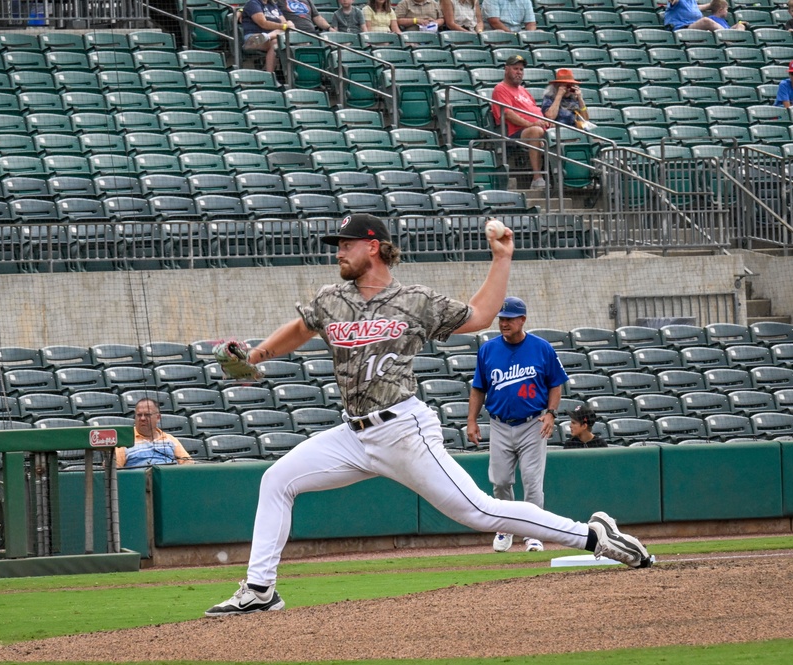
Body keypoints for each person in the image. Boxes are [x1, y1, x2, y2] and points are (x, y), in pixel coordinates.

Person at [203, 213, 652, 617]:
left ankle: (595, 538)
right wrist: (256, 354)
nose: (338, 251)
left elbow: (478, 315)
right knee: (276, 480)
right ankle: (260, 589)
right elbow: (301, 329)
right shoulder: (330, 299)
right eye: (337, 245)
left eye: (346, 243)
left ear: (373, 246)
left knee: (480, 511)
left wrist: (502, 258)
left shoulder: (413, 300)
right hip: (353, 434)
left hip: (403, 430)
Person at [466, 297, 568, 554]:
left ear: (522, 320)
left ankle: (533, 534)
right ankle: (506, 527)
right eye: (501, 318)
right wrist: (471, 421)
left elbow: (555, 383)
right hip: (499, 424)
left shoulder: (542, 348)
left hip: (532, 423)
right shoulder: (488, 350)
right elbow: (478, 388)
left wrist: (551, 413)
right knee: (500, 482)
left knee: (532, 482)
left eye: (509, 318)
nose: (504, 323)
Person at [491, 55, 551, 190]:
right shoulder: (500, 88)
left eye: (521, 69)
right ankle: (537, 179)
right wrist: (531, 125)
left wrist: (547, 122)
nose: (519, 72)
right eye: (515, 69)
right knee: (536, 131)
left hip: (537, 129)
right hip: (515, 133)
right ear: (506, 69)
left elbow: (535, 110)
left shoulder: (524, 90)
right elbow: (507, 113)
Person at [115, 399, 195, 468]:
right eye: (139, 415)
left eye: (147, 415)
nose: (142, 418)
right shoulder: (125, 440)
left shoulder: (169, 439)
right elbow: (115, 468)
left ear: (158, 418)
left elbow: (188, 462)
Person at [241, 0, 295, 73]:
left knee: (284, 35)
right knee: (277, 42)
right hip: (254, 38)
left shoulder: (273, 5)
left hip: (273, 37)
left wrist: (288, 24)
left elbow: (284, 22)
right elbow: (263, 23)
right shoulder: (253, 3)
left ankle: (267, 36)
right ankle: (270, 75)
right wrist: (283, 26)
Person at [664, 0, 746, 31]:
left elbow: (696, 8)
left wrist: (711, 5)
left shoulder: (692, 2)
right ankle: (730, 34)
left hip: (694, 28)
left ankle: (736, 36)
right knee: (705, 21)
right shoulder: (678, 2)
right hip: (681, 28)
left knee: (740, 25)